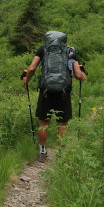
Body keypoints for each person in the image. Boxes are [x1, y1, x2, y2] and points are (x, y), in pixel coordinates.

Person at [21, 31, 87, 162]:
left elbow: (32, 68)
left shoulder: (43, 49)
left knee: (43, 123)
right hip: (64, 92)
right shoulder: (70, 51)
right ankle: (60, 155)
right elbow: (78, 75)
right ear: (64, 40)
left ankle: (42, 153)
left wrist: (26, 79)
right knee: (62, 124)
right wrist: (84, 75)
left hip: (46, 91)